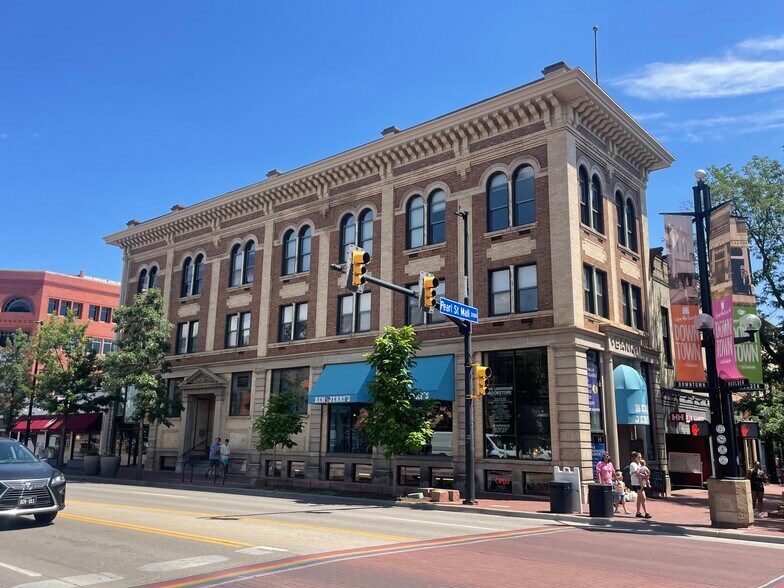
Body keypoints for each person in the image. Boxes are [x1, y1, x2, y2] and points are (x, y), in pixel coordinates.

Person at [629, 451, 651, 519]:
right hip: (636, 483)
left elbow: (644, 470)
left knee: (639, 498)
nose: (640, 458)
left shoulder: (640, 464)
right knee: (643, 497)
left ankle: (638, 512)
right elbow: (636, 473)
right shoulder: (633, 464)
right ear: (635, 457)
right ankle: (646, 513)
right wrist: (645, 476)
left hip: (642, 483)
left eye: (641, 457)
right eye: (639, 457)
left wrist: (646, 476)